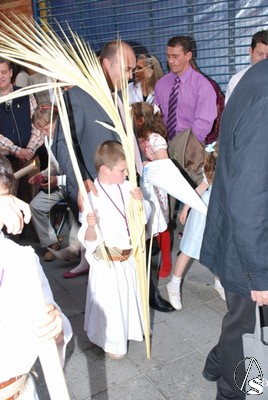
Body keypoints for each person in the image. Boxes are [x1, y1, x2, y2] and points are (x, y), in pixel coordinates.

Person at [53, 40, 174, 312]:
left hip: (124, 184)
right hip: (97, 191)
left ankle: (143, 296)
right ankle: (112, 313)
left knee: (135, 242)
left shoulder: (116, 95)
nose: (132, 74)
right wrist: (81, 182)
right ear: (107, 64)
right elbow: (63, 144)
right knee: (109, 256)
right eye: (128, 68)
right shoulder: (79, 96)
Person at [200, 58, 268, 399]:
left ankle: (216, 364)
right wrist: (259, 274)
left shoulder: (258, 74)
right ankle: (231, 390)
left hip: (245, 239)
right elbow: (250, 194)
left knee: (242, 323)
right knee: (248, 334)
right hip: (252, 248)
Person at [0, 154, 73, 399]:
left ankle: (56, 244)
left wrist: (56, 327)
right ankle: (51, 241)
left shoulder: (20, 259)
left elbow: (50, 322)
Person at [78, 140, 151, 359]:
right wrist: (91, 225)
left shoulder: (128, 187)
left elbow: (144, 215)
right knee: (111, 304)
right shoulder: (92, 196)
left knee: (128, 299)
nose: (127, 173)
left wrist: (141, 203)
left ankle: (129, 330)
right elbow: (87, 239)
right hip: (107, 262)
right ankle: (112, 341)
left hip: (128, 258)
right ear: (105, 170)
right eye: (122, 170)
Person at [154, 36, 217, 219]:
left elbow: (204, 121)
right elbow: (157, 117)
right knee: (166, 201)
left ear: (188, 55)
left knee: (197, 200)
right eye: (168, 56)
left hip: (191, 151)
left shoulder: (202, 85)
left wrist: (186, 147)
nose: (170, 61)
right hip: (165, 149)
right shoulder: (161, 84)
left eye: (176, 56)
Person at [29, 103, 89, 277]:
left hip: (74, 184)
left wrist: (57, 180)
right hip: (59, 183)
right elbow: (55, 167)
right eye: (40, 130)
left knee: (75, 207)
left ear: (56, 121)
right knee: (35, 205)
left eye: (46, 128)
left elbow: (76, 171)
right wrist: (42, 175)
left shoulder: (68, 137)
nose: (43, 133)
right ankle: (51, 241)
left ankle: (75, 250)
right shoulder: (49, 139)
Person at [166, 141, 225, 310]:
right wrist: (186, 207)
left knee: (220, 248)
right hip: (203, 212)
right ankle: (174, 283)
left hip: (220, 213)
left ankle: (219, 281)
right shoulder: (212, 174)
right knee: (190, 248)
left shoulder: (230, 172)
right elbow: (198, 190)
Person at [132, 101, 172, 279]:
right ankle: (146, 257)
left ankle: (167, 259)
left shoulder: (156, 139)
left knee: (160, 222)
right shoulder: (134, 138)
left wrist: (149, 162)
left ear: (140, 120)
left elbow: (165, 165)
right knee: (144, 221)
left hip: (156, 187)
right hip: (140, 185)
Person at [0, 58, 45, 202]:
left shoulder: (25, 94)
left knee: (33, 201)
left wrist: (29, 150)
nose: (1, 76)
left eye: (4, 72)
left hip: (31, 160)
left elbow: (37, 125)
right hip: (6, 164)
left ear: (11, 73)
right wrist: (16, 151)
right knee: (9, 201)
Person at [225, 29, 268, 104]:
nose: (264, 59)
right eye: (260, 54)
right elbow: (231, 114)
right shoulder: (237, 81)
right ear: (251, 51)